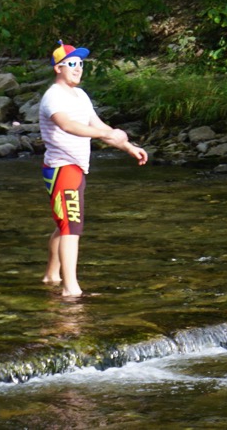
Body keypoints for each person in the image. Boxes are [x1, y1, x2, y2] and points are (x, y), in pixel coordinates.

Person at [40, 41, 147, 298]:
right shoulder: (53, 96)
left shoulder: (81, 96)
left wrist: (128, 147)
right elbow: (68, 126)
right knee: (71, 227)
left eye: (81, 64)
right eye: (72, 64)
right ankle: (71, 288)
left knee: (64, 223)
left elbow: (98, 125)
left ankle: (52, 275)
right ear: (58, 68)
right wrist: (103, 133)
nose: (78, 69)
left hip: (75, 169)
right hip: (62, 169)